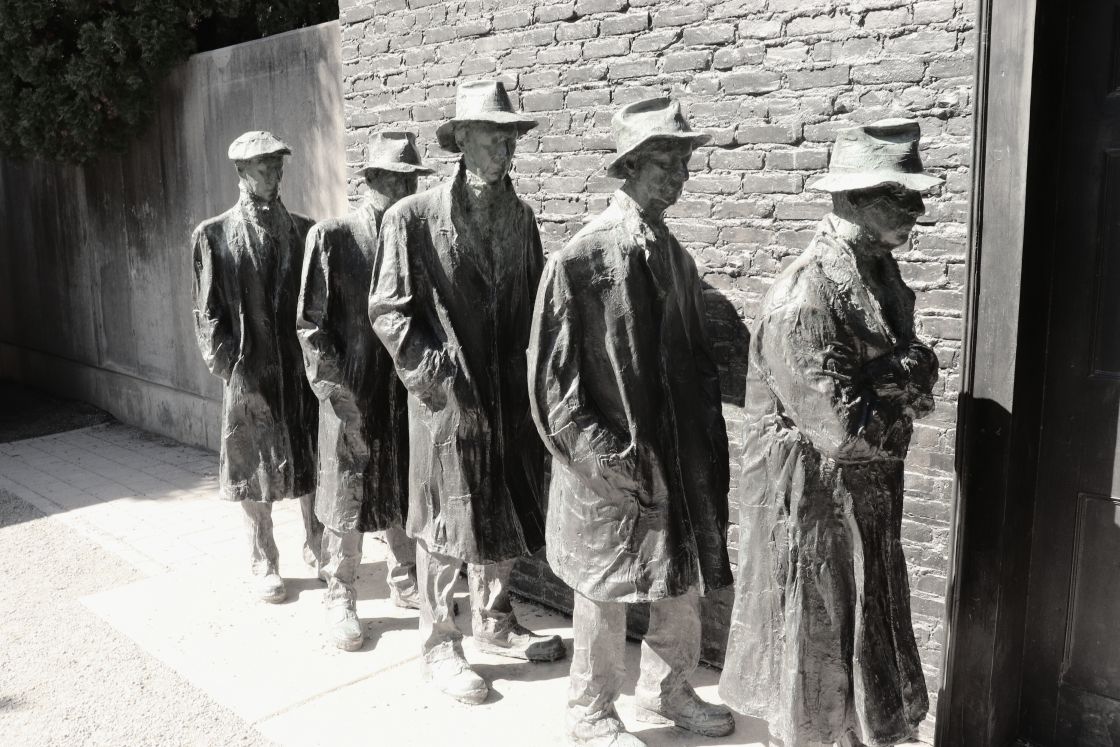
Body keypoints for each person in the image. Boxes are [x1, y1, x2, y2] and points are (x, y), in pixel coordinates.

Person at [718, 119, 943, 747]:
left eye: (914, 196)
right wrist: (903, 384)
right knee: (811, 652)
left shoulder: (881, 276)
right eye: (899, 196)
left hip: (862, 497)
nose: (917, 211)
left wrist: (899, 381)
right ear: (851, 198)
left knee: (862, 640)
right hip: (809, 506)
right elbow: (843, 430)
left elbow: (916, 378)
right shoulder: (806, 296)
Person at [528, 97, 736, 747]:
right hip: (607, 467)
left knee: (679, 579)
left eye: (685, 164)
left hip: (673, 456)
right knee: (604, 588)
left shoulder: (675, 256)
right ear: (632, 166)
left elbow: (695, 356)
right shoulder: (580, 259)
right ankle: (591, 706)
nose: (681, 176)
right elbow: (553, 387)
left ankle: (668, 688)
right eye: (668, 163)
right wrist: (610, 463)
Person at [369, 80, 565, 705]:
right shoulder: (412, 217)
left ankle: (496, 620)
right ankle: (438, 643)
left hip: (508, 395)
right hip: (446, 404)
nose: (504, 147)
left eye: (510, 137)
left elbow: (533, 305)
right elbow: (389, 312)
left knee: (503, 509)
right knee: (445, 523)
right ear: (461, 140)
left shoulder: (521, 218)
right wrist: (440, 381)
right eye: (491, 135)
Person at [297, 131, 432, 651]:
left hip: (400, 389)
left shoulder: (416, 240)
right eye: (395, 180)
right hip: (349, 391)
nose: (404, 190)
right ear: (371, 179)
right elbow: (310, 326)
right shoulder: (333, 238)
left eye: (410, 181)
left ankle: (403, 577)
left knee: (400, 483)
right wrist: (336, 394)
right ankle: (341, 592)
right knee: (346, 496)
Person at [191, 130, 322, 604]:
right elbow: (206, 315)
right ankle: (263, 556)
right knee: (252, 465)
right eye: (263, 165)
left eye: (277, 164)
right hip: (249, 370)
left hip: (299, 369)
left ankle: (317, 543)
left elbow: (317, 306)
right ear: (241, 171)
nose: (273, 173)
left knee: (310, 454)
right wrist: (232, 368)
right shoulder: (214, 235)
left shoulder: (306, 231)